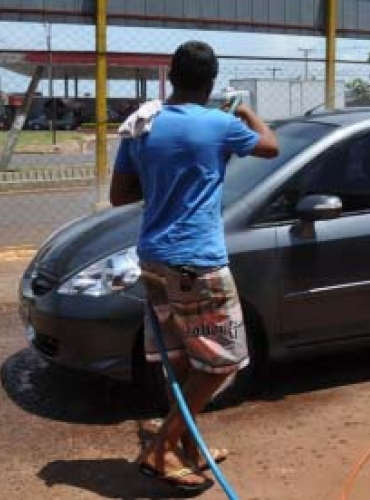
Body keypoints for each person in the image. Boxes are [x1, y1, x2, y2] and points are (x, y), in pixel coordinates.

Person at [110, 40, 279, 491]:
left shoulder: (142, 125)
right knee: (223, 362)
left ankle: (185, 444)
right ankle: (161, 448)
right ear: (210, 82)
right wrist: (244, 113)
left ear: (172, 76)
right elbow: (271, 147)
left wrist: (166, 182)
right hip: (196, 262)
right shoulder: (221, 123)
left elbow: (120, 196)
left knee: (182, 359)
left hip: (153, 259)